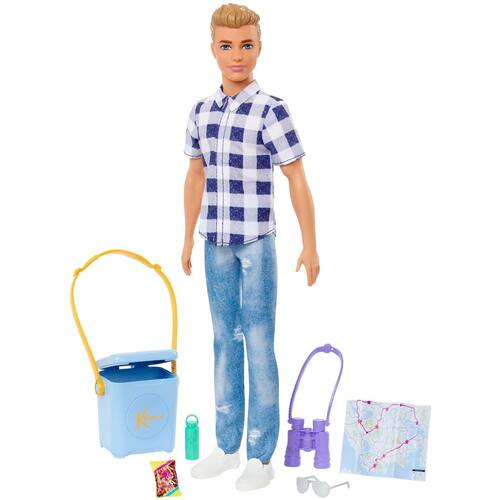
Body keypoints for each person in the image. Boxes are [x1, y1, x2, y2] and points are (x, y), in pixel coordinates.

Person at [181, 3, 319, 491]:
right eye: (226, 46)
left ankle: (260, 454)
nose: (236, 55)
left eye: (246, 45)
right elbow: (195, 174)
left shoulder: (270, 109)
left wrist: (310, 243)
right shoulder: (201, 110)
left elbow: (295, 175)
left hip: (257, 243)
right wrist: (186, 236)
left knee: (259, 343)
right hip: (214, 243)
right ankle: (226, 446)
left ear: (259, 47)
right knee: (224, 342)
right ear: (213, 49)